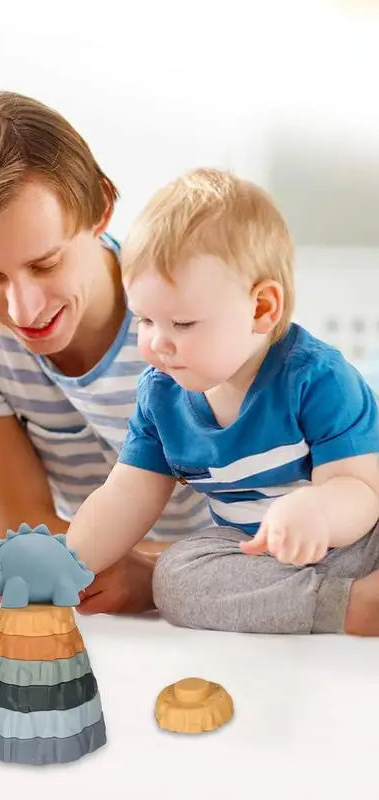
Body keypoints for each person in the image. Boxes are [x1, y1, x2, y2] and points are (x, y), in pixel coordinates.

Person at [0, 90, 213, 616]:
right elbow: (17, 532)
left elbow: (281, 532)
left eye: (46, 263)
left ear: (99, 209)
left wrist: (156, 573)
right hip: (102, 596)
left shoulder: (189, 312)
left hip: (225, 581)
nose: (22, 308)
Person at [64, 166, 379, 637]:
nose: (157, 344)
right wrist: (65, 562)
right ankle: (349, 605)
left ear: (261, 309)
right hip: (254, 554)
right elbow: (125, 496)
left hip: (362, 536)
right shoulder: (161, 397)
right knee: (174, 578)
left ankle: (328, 596)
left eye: (183, 324)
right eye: (145, 320)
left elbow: (360, 491)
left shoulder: (315, 376)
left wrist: (318, 512)